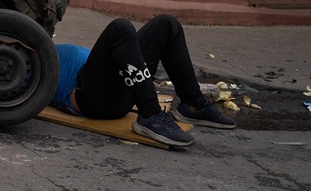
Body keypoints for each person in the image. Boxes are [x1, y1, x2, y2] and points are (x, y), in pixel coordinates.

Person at [51, 14, 235, 147]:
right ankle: (150, 115)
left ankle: (193, 104)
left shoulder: (46, 43)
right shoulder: (32, 58)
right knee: (120, 27)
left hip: (124, 86)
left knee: (167, 24)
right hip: (89, 99)